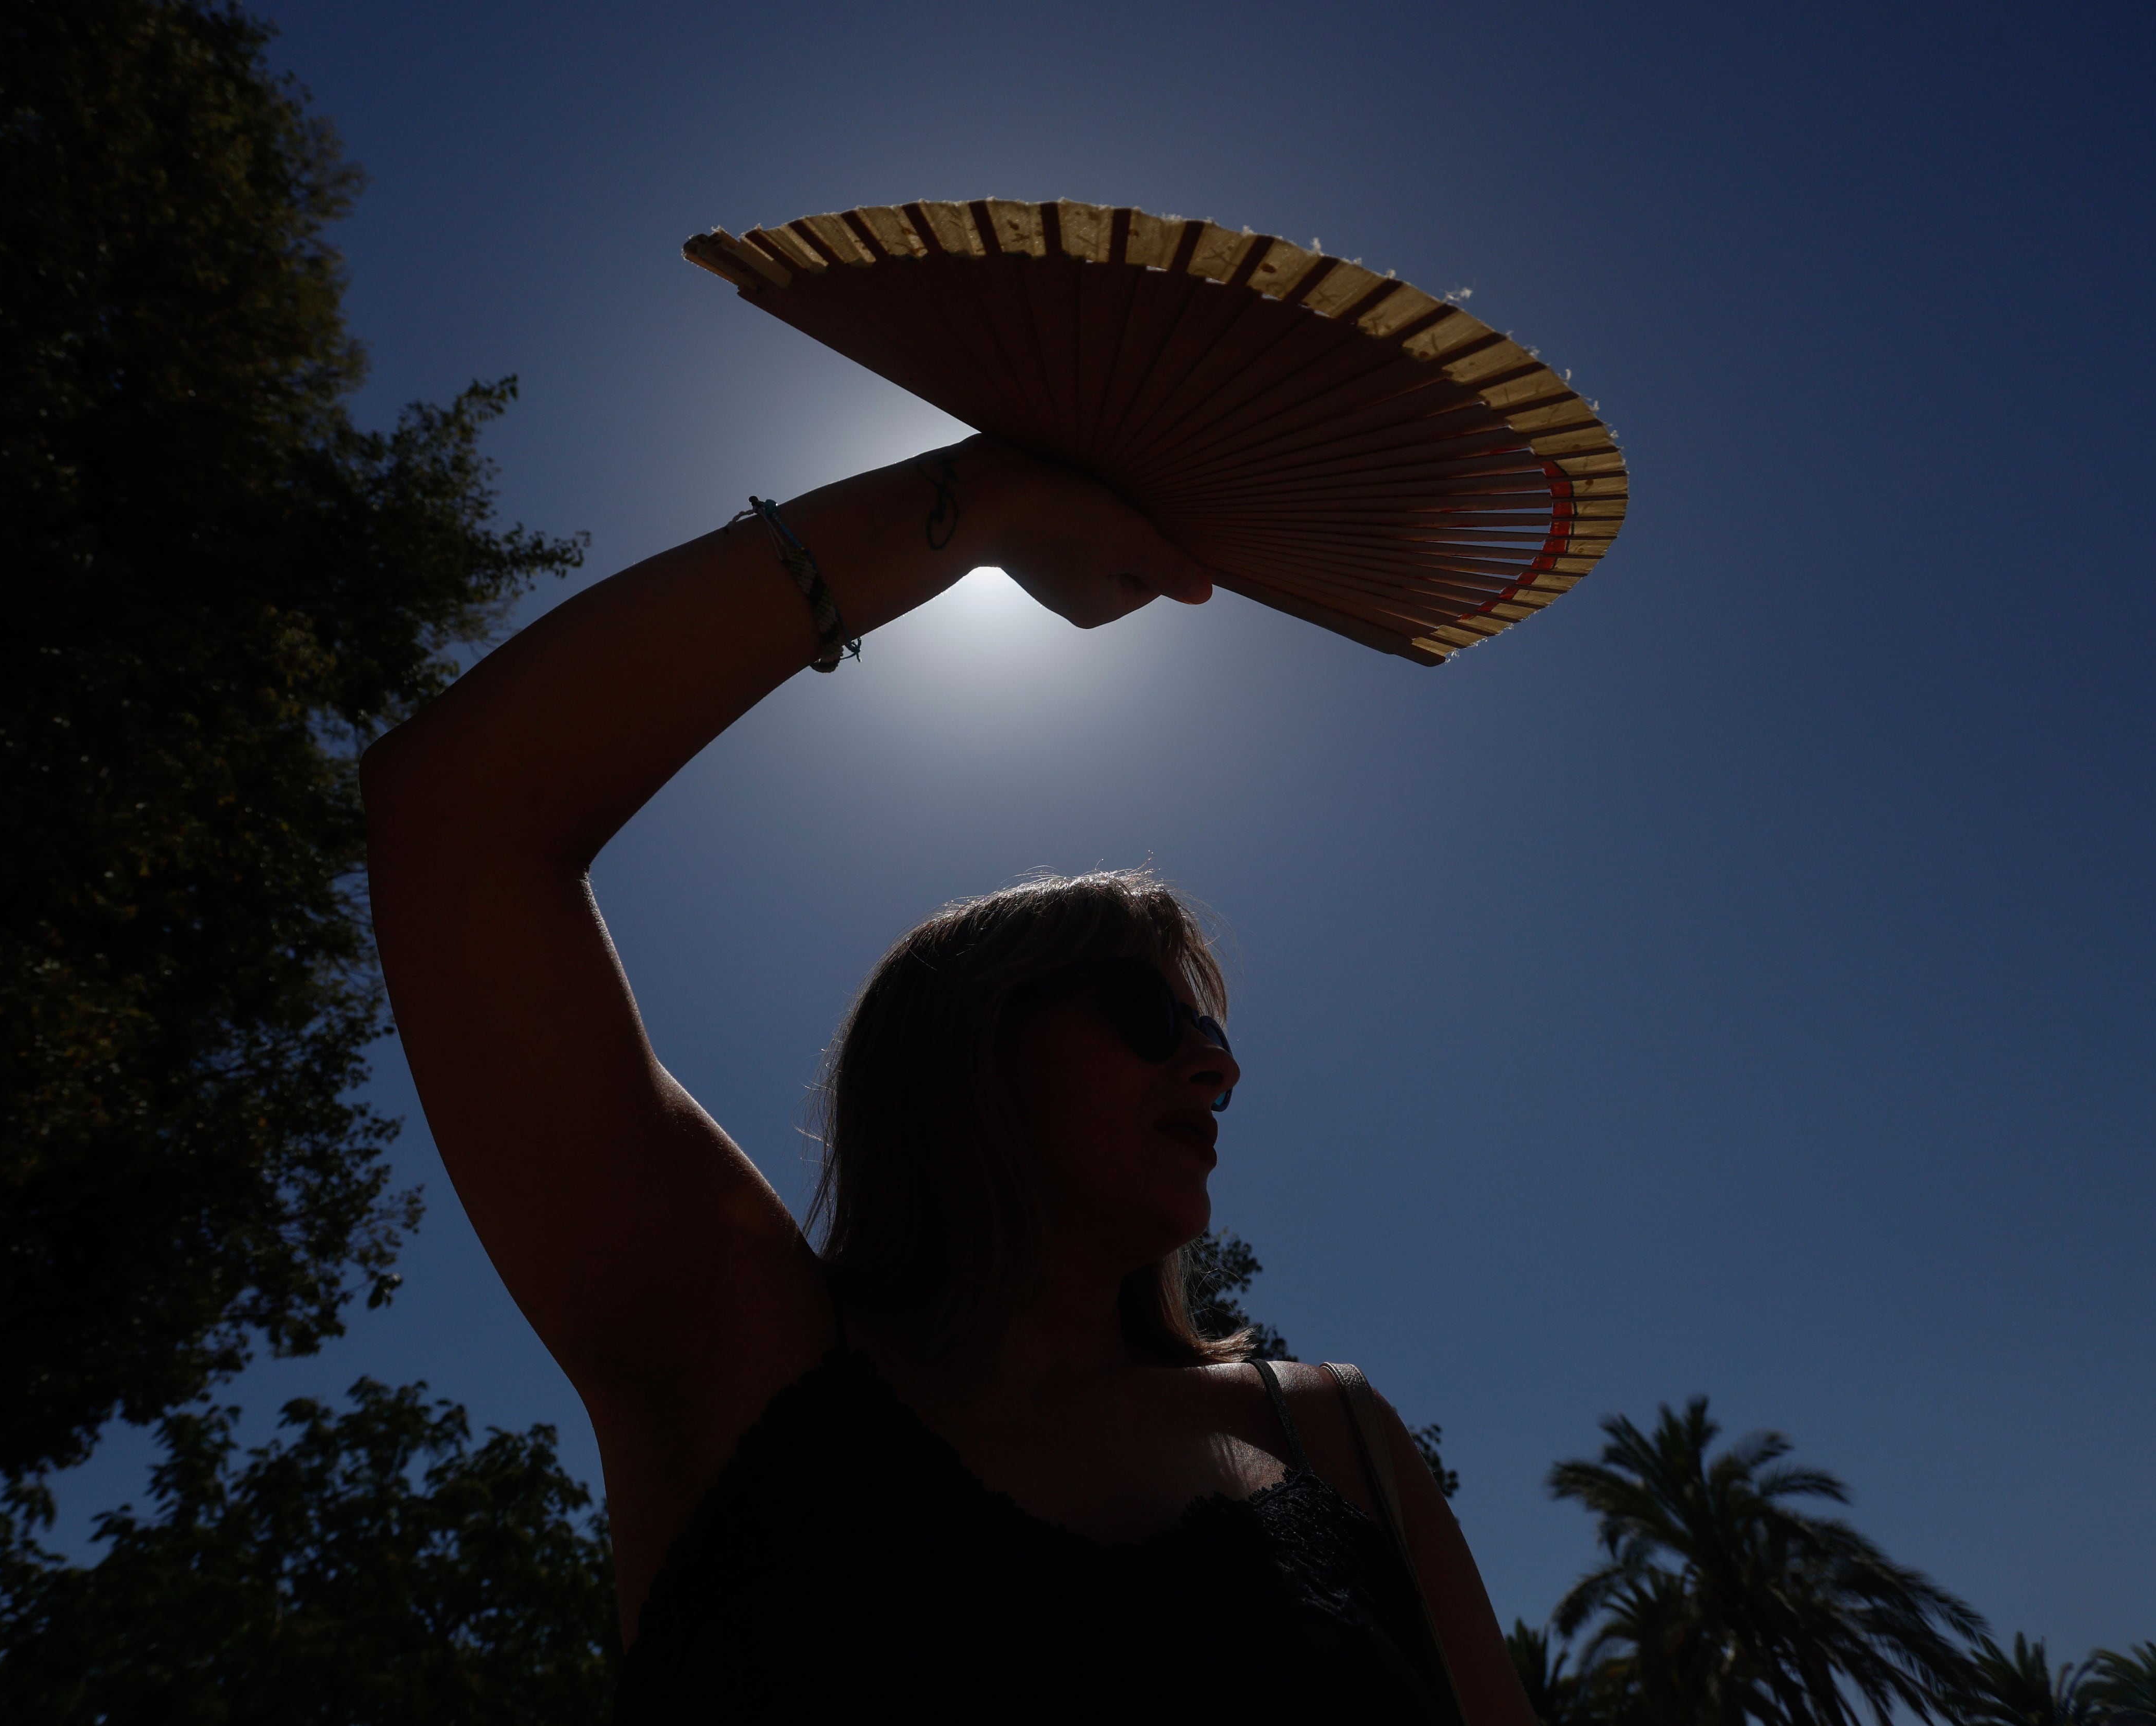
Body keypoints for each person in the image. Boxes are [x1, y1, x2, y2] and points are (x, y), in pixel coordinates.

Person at [361, 436, 1532, 1722]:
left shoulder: (1335, 1436)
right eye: (1146, 1008)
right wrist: (991, 503)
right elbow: (458, 814)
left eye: (1208, 1029)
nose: (1217, 1058)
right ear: (963, 1056)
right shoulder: (743, 1366)